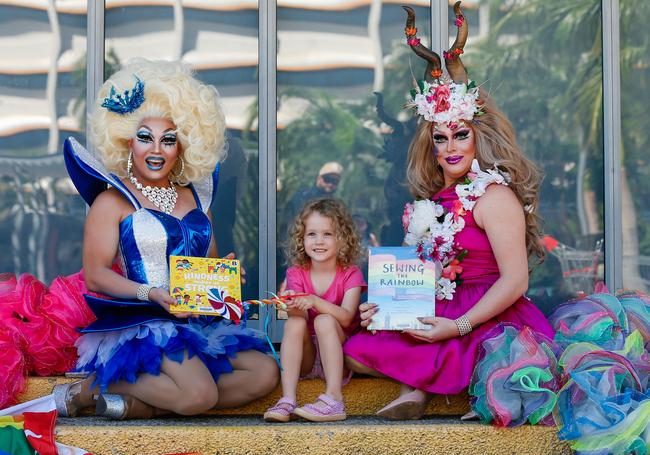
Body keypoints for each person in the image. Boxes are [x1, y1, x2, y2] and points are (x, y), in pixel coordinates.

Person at [342, 5, 555, 420]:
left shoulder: (493, 195)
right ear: (432, 146)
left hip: (491, 315)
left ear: (478, 137)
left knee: (469, 351)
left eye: (461, 135)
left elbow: (515, 280)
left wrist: (458, 326)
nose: (451, 147)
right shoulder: (434, 199)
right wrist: (384, 307)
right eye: (441, 138)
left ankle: (442, 385)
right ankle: (422, 386)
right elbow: (421, 273)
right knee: (356, 349)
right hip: (439, 304)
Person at [53, 59, 278, 420]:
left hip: (195, 321)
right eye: (145, 137)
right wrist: (152, 293)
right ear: (127, 141)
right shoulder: (111, 201)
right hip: (145, 324)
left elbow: (207, 264)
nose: (156, 149)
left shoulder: (196, 197)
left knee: (264, 374)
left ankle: (139, 405)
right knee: (199, 396)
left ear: (182, 146)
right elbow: (95, 275)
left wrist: (225, 275)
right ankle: (91, 388)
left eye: (168, 139)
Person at [263, 198, 366, 422]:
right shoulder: (296, 273)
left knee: (325, 320)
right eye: (311, 234)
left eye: (327, 234)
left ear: (343, 239)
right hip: (306, 358)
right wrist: (293, 305)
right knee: (295, 322)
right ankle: (288, 399)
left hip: (339, 354)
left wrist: (313, 301)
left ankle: (334, 398)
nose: (319, 241)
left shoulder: (351, 273)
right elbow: (297, 319)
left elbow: (347, 318)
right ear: (302, 238)